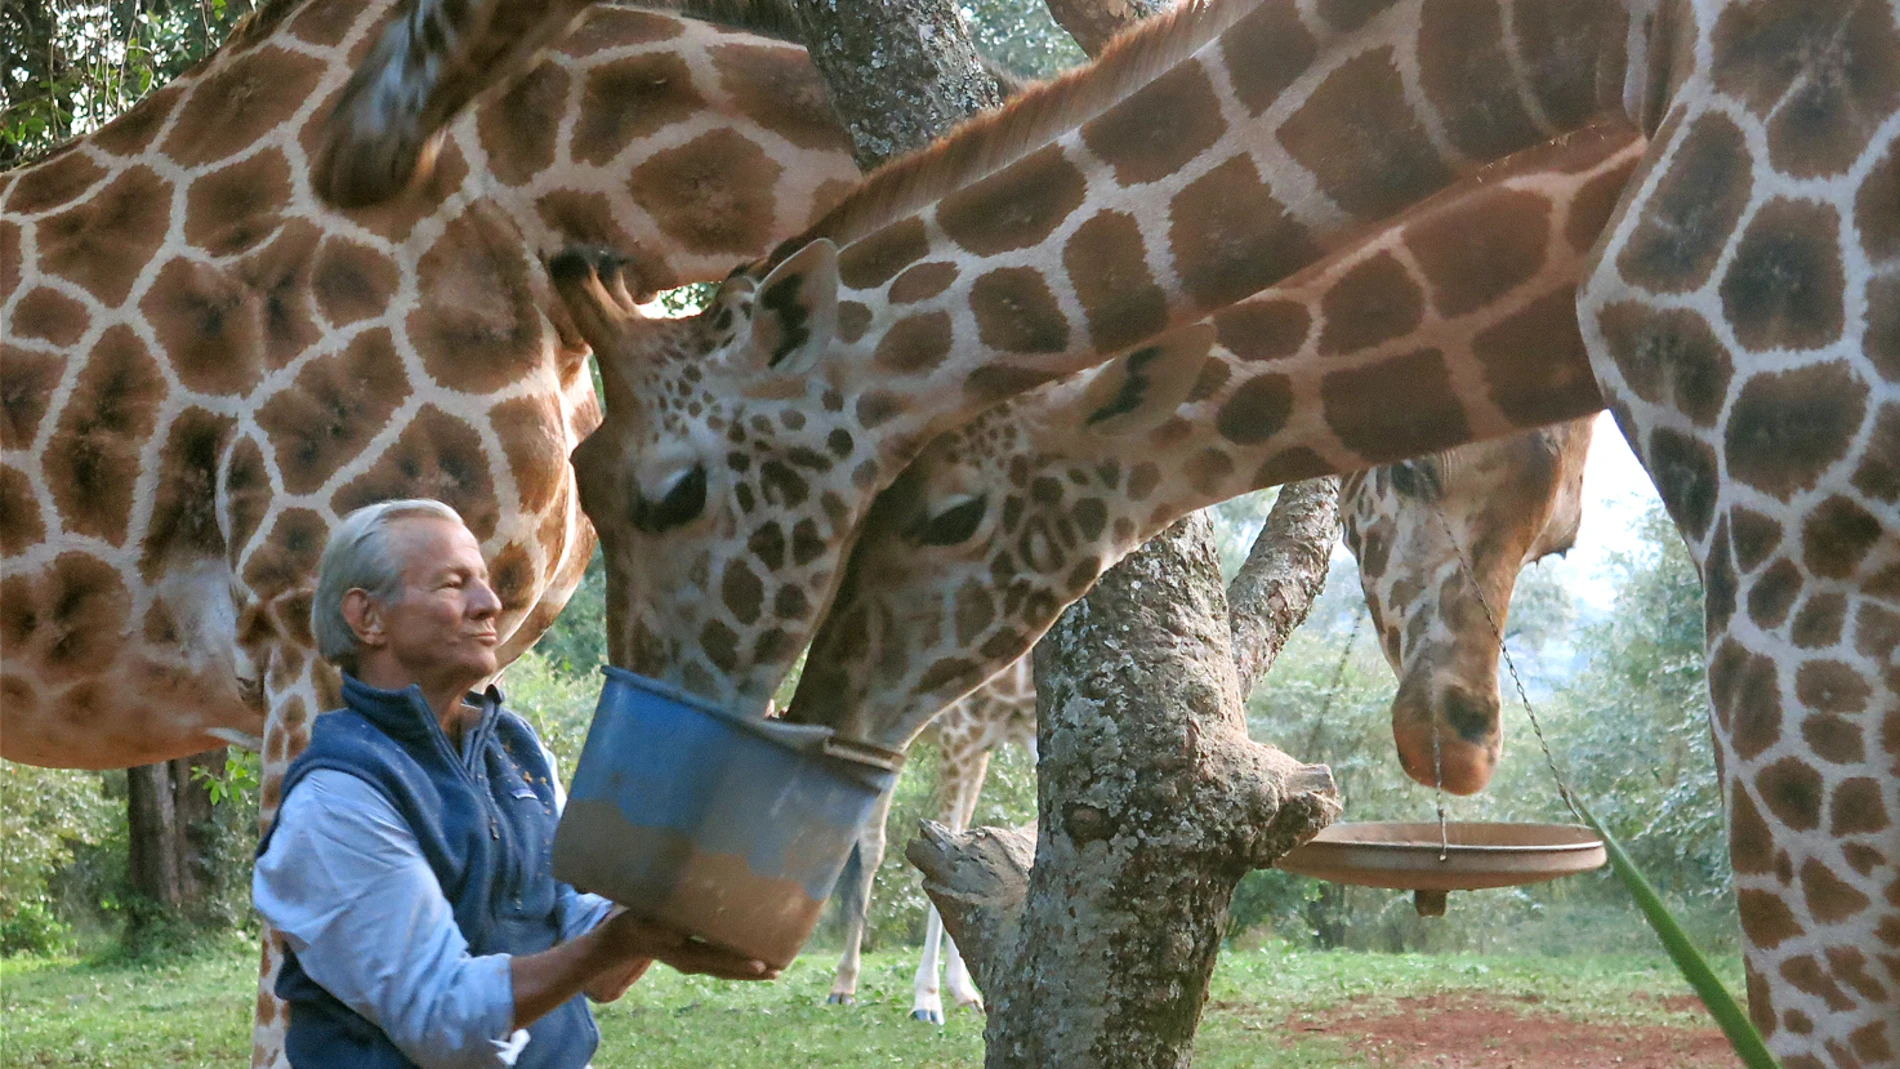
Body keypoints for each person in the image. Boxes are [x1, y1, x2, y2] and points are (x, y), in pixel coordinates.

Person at [254, 499, 774, 1069]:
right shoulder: (336, 798)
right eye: (454, 584)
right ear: (367, 618)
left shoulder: (513, 749)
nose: (490, 604)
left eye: (483, 581)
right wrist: (623, 940)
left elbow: (589, 947)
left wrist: (704, 822)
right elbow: (443, 1020)